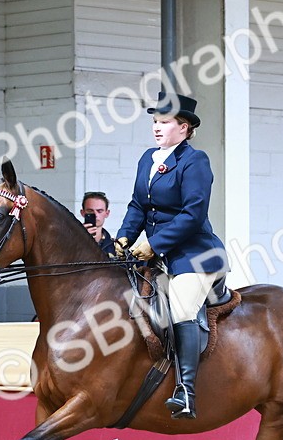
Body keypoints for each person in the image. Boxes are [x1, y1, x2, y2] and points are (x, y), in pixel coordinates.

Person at [115, 93, 228, 420]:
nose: (156, 127)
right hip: (157, 255)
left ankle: (186, 392)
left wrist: (154, 244)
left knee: (180, 308)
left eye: (163, 122)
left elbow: (193, 214)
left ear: (184, 127)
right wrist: (125, 236)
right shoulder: (147, 158)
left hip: (194, 255)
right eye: (154, 121)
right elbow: (138, 205)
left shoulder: (196, 161)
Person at [80, 191, 115, 256]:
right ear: (82, 213)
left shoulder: (114, 245)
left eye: (99, 211)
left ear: (107, 213)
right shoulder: (71, 239)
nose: (96, 214)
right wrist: (81, 240)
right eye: (90, 211)